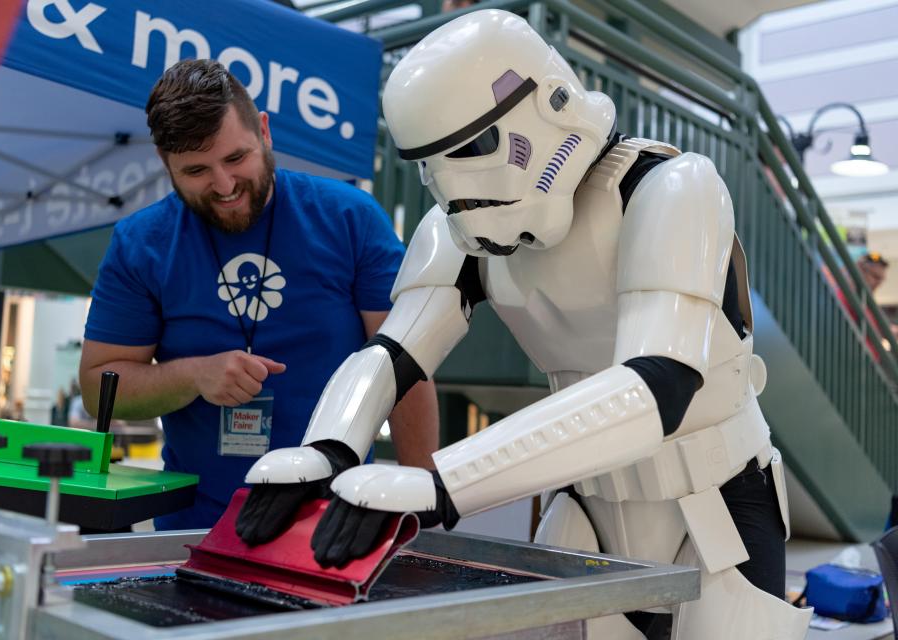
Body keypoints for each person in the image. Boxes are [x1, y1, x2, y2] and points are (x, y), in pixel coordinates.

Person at [237, 11, 812, 639]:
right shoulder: (456, 231)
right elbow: (393, 352)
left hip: (713, 502)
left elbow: (656, 388)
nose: (456, 186)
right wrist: (328, 449)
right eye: (432, 164)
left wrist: (442, 485)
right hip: (587, 506)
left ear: (550, 104)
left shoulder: (668, 188)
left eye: (475, 147)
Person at [79, 59, 438, 530]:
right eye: (196, 171)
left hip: (334, 526)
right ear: (166, 164)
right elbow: (97, 386)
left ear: (264, 132)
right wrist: (193, 376)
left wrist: (420, 511)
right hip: (195, 530)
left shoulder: (350, 219)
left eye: (235, 158)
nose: (224, 186)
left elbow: (405, 367)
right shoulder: (140, 244)